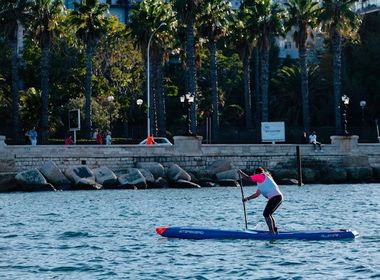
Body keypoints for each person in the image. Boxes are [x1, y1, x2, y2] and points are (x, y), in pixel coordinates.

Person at [240, 167, 283, 233]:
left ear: (256, 173)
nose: (254, 176)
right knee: (268, 214)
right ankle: (274, 230)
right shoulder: (263, 182)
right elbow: (257, 194)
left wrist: (241, 173)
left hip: (276, 197)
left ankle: (271, 232)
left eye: (254, 174)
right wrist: (247, 198)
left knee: (266, 214)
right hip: (278, 197)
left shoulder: (261, 176)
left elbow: (248, 178)